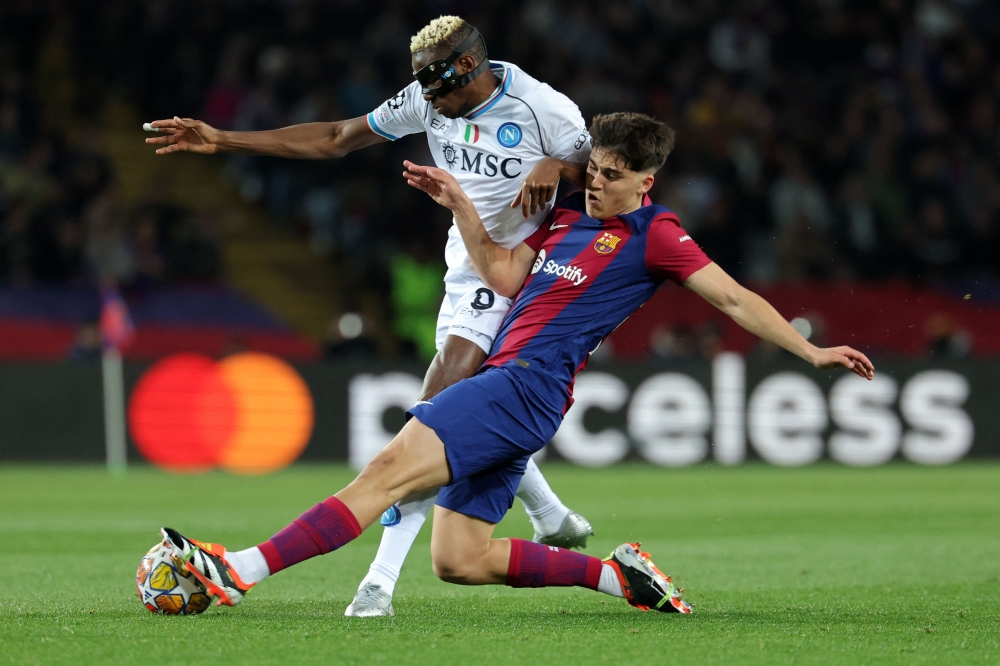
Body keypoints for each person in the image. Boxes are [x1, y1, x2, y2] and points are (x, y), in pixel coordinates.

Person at [161, 111, 874, 617]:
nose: (595, 183)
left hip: (523, 385)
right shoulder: (568, 219)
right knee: (460, 562)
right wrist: (463, 207)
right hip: (523, 398)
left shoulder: (656, 234)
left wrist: (809, 350)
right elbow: (504, 277)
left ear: (646, 180)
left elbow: (735, 298)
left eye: (613, 175)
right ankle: (614, 576)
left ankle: (236, 572)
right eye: (592, 168)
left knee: (384, 473)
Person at [144, 15, 595, 617]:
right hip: (470, 272)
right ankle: (548, 514)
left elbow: (612, 181)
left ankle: (378, 582)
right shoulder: (429, 101)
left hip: (532, 276)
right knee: (463, 414)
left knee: (439, 410)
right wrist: (223, 140)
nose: (421, 93)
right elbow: (336, 137)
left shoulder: (545, 110)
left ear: (466, 65)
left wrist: (558, 169)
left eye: (430, 79)